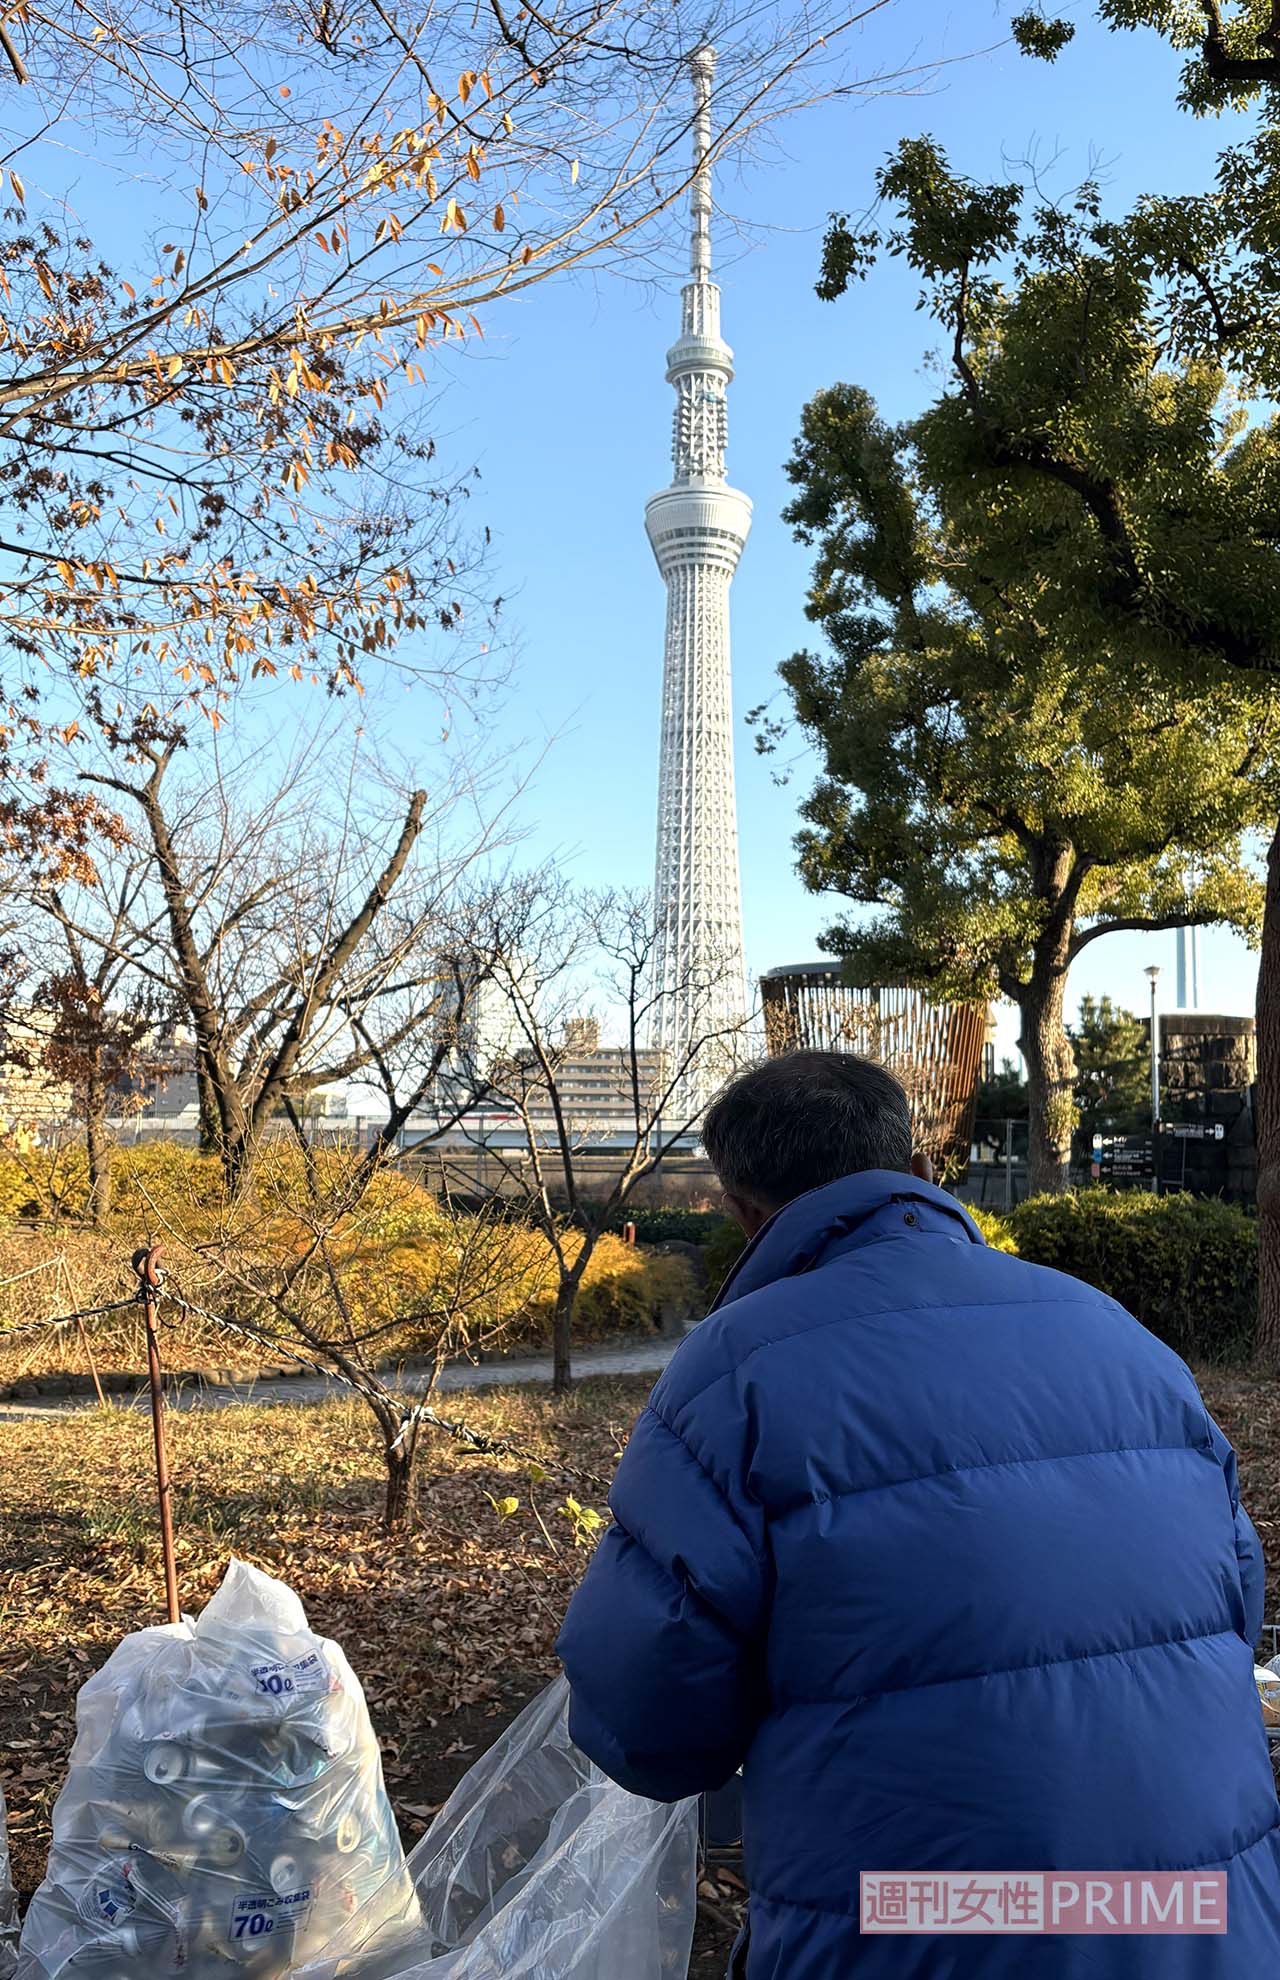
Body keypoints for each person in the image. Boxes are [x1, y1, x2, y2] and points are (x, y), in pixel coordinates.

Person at [556, 1050, 1280, 1976]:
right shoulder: (1120, 1334)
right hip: (1206, 1923)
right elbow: (1236, 1605)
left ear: (741, 1211)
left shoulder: (734, 1372)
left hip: (917, 1931)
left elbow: (647, 1725)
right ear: (923, 1170)